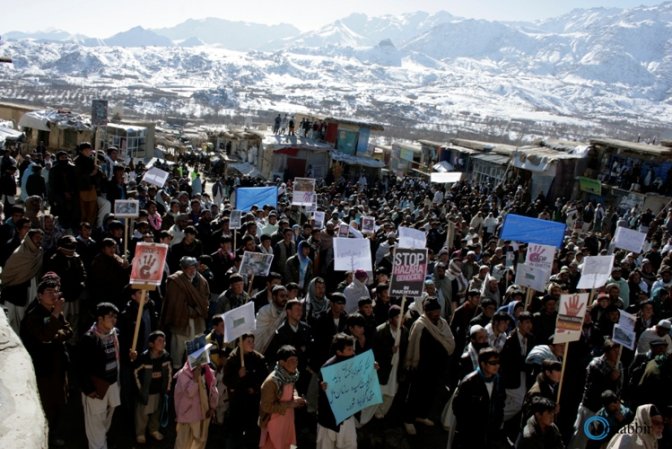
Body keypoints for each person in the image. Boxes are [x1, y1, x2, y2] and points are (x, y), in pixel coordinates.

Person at [20, 277, 73, 447]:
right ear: (39, 296)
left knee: (60, 401)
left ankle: (56, 433)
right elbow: (44, 336)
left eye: (55, 292)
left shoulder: (55, 311)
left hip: (58, 366)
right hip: (43, 369)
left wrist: (55, 334)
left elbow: (68, 330)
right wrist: (55, 318)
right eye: (49, 292)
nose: (53, 295)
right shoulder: (33, 315)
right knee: (46, 404)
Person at [405, 298, 455, 432]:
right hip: (421, 367)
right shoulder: (420, 325)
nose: (437, 313)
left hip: (437, 367)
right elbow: (412, 345)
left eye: (438, 310)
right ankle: (408, 419)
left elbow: (450, 342)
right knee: (415, 394)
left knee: (430, 393)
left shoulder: (443, 323)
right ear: (427, 312)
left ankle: (421, 415)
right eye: (434, 311)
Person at [79, 302, 121, 449]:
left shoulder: (115, 334)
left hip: (112, 384)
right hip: (96, 388)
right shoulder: (89, 339)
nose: (114, 320)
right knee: (95, 421)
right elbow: (80, 367)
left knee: (108, 417)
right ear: (100, 318)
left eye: (115, 317)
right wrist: (88, 389)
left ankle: (103, 443)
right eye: (110, 316)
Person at [160, 256, 210, 369]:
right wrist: (194, 311)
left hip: (198, 322)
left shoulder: (201, 281)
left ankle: (198, 375)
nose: (192, 271)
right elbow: (176, 304)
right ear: (183, 268)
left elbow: (205, 299)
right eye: (189, 268)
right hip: (181, 322)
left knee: (198, 354)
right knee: (178, 352)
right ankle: (177, 373)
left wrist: (199, 310)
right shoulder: (176, 281)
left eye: (194, 268)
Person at [453, 347, 507, 449]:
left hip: (489, 432)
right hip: (471, 432)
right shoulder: (469, 382)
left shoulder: (498, 381)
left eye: (498, 362)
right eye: (492, 363)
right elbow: (458, 408)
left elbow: (500, 403)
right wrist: (466, 428)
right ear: (483, 364)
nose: (497, 366)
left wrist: (497, 424)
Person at [224, 333, 269, 448]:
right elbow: (227, 381)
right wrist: (238, 376)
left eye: (252, 341)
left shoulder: (259, 358)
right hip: (237, 401)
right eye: (248, 341)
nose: (252, 344)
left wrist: (255, 388)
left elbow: (265, 379)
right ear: (240, 343)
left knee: (253, 431)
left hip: (253, 401)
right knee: (235, 433)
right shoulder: (232, 359)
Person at [259, 345, 307, 449]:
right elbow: (266, 406)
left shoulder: (291, 375)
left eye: (296, 360)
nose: (295, 363)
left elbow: (292, 389)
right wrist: (289, 404)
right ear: (282, 362)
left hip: (287, 420)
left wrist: (296, 398)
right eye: (291, 360)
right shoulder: (271, 382)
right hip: (273, 422)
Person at [317, 333, 358, 449]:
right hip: (329, 419)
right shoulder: (327, 368)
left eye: (352, 348)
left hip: (347, 416)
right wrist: (323, 388)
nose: (353, 352)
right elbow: (323, 394)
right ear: (339, 352)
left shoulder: (354, 362)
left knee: (350, 445)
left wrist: (372, 367)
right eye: (349, 349)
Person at [132, 330, 172, 444]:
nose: (163, 343)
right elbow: (135, 373)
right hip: (146, 392)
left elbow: (169, 373)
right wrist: (140, 390)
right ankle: (140, 433)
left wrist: (168, 388)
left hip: (159, 391)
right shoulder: (144, 358)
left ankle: (154, 429)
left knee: (157, 412)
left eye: (164, 341)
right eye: (159, 341)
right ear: (151, 344)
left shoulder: (166, 357)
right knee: (142, 414)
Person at [173, 352, 218, 449]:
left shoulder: (208, 372)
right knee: (183, 443)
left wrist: (213, 406)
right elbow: (189, 394)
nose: (206, 357)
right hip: (187, 417)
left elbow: (212, 389)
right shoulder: (184, 374)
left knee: (200, 442)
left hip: (204, 414)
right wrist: (195, 379)